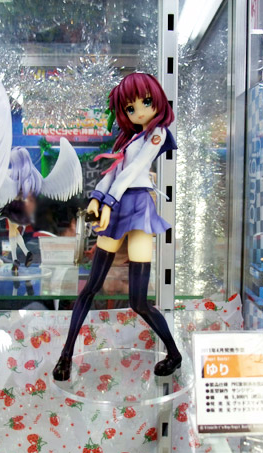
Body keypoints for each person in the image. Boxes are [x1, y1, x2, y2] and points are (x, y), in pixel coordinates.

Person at [53, 72, 181, 381]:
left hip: (138, 208)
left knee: (138, 301)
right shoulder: (129, 138)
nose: (139, 111)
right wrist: (96, 200)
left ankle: (174, 354)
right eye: (130, 108)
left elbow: (135, 169)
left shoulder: (157, 133)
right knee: (90, 288)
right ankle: (66, 354)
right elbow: (113, 172)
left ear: (157, 101)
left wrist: (108, 202)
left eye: (145, 102)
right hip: (118, 204)